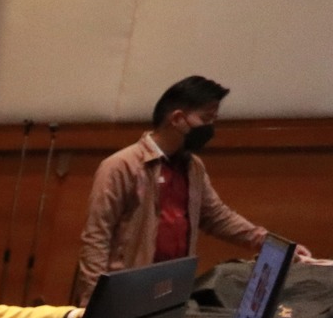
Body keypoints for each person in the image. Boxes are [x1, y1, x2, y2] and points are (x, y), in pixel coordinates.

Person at [75, 75, 309, 303]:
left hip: (171, 290)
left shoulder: (193, 167)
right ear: (177, 118)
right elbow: (97, 237)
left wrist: (277, 247)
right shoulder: (121, 165)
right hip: (124, 293)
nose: (210, 128)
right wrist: (93, 302)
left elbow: (219, 217)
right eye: (206, 118)